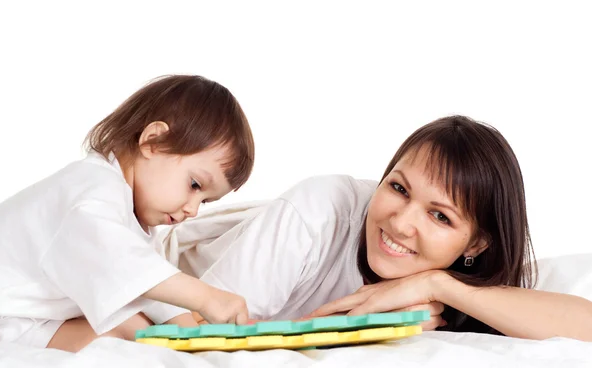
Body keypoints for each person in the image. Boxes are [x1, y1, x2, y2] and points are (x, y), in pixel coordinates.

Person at [157, 115, 592, 341]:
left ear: (476, 242)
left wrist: (441, 285)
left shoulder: (469, 283)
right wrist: (352, 328)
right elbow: (198, 329)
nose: (401, 223)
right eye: (399, 188)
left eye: (440, 216)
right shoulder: (318, 211)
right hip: (164, 285)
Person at [0, 75, 254, 352]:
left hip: (33, 314)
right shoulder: (92, 192)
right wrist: (206, 298)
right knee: (131, 334)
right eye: (194, 185)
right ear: (153, 141)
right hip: (6, 314)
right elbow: (124, 263)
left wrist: (193, 332)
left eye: (205, 201)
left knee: (143, 325)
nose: (192, 209)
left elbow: (146, 288)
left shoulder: (131, 213)